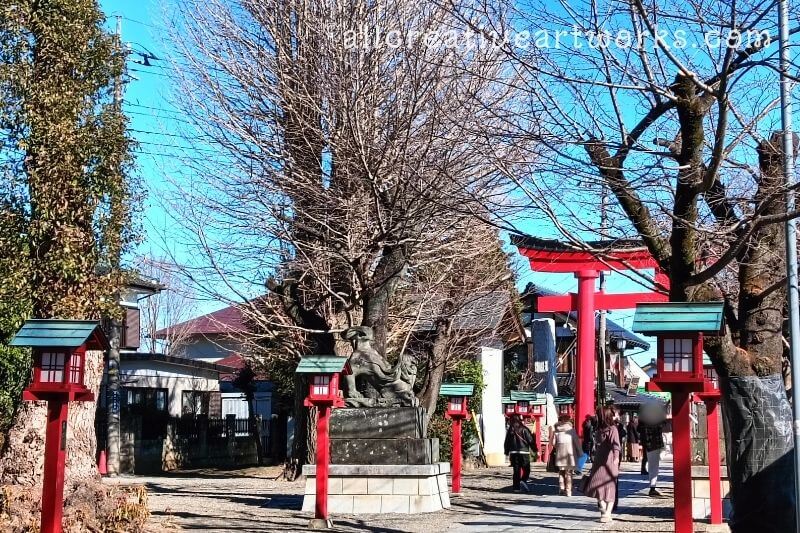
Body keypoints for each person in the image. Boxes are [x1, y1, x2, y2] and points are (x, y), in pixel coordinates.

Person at [581, 406, 621, 523]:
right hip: (609, 461)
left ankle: (605, 512)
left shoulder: (599, 430)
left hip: (600, 459)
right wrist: (616, 457)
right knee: (609, 486)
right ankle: (607, 512)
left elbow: (613, 445)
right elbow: (616, 445)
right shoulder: (612, 429)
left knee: (597, 486)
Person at [551, 414, 582, 496]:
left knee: (561, 471)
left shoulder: (556, 430)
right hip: (570, 453)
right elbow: (576, 442)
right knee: (569, 472)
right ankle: (568, 490)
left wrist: (558, 446)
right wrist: (580, 452)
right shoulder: (571, 430)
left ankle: (561, 488)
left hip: (560, 453)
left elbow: (553, 443)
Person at [504, 414, 536, 492]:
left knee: (516, 470)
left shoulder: (510, 430)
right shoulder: (524, 429)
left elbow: (507, 442)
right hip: (524, 452)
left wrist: (507, 451)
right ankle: (523, 480)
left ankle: (516, 488)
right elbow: (530, 440)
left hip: (513, 452)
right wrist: (535, 450)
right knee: (526, 469)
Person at [639, 417, 665, 497]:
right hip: (654, 444)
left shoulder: (644, 421)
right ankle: (652, 488)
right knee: (654, 466)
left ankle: (652, 487)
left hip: (650, 445)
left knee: (652, 466)